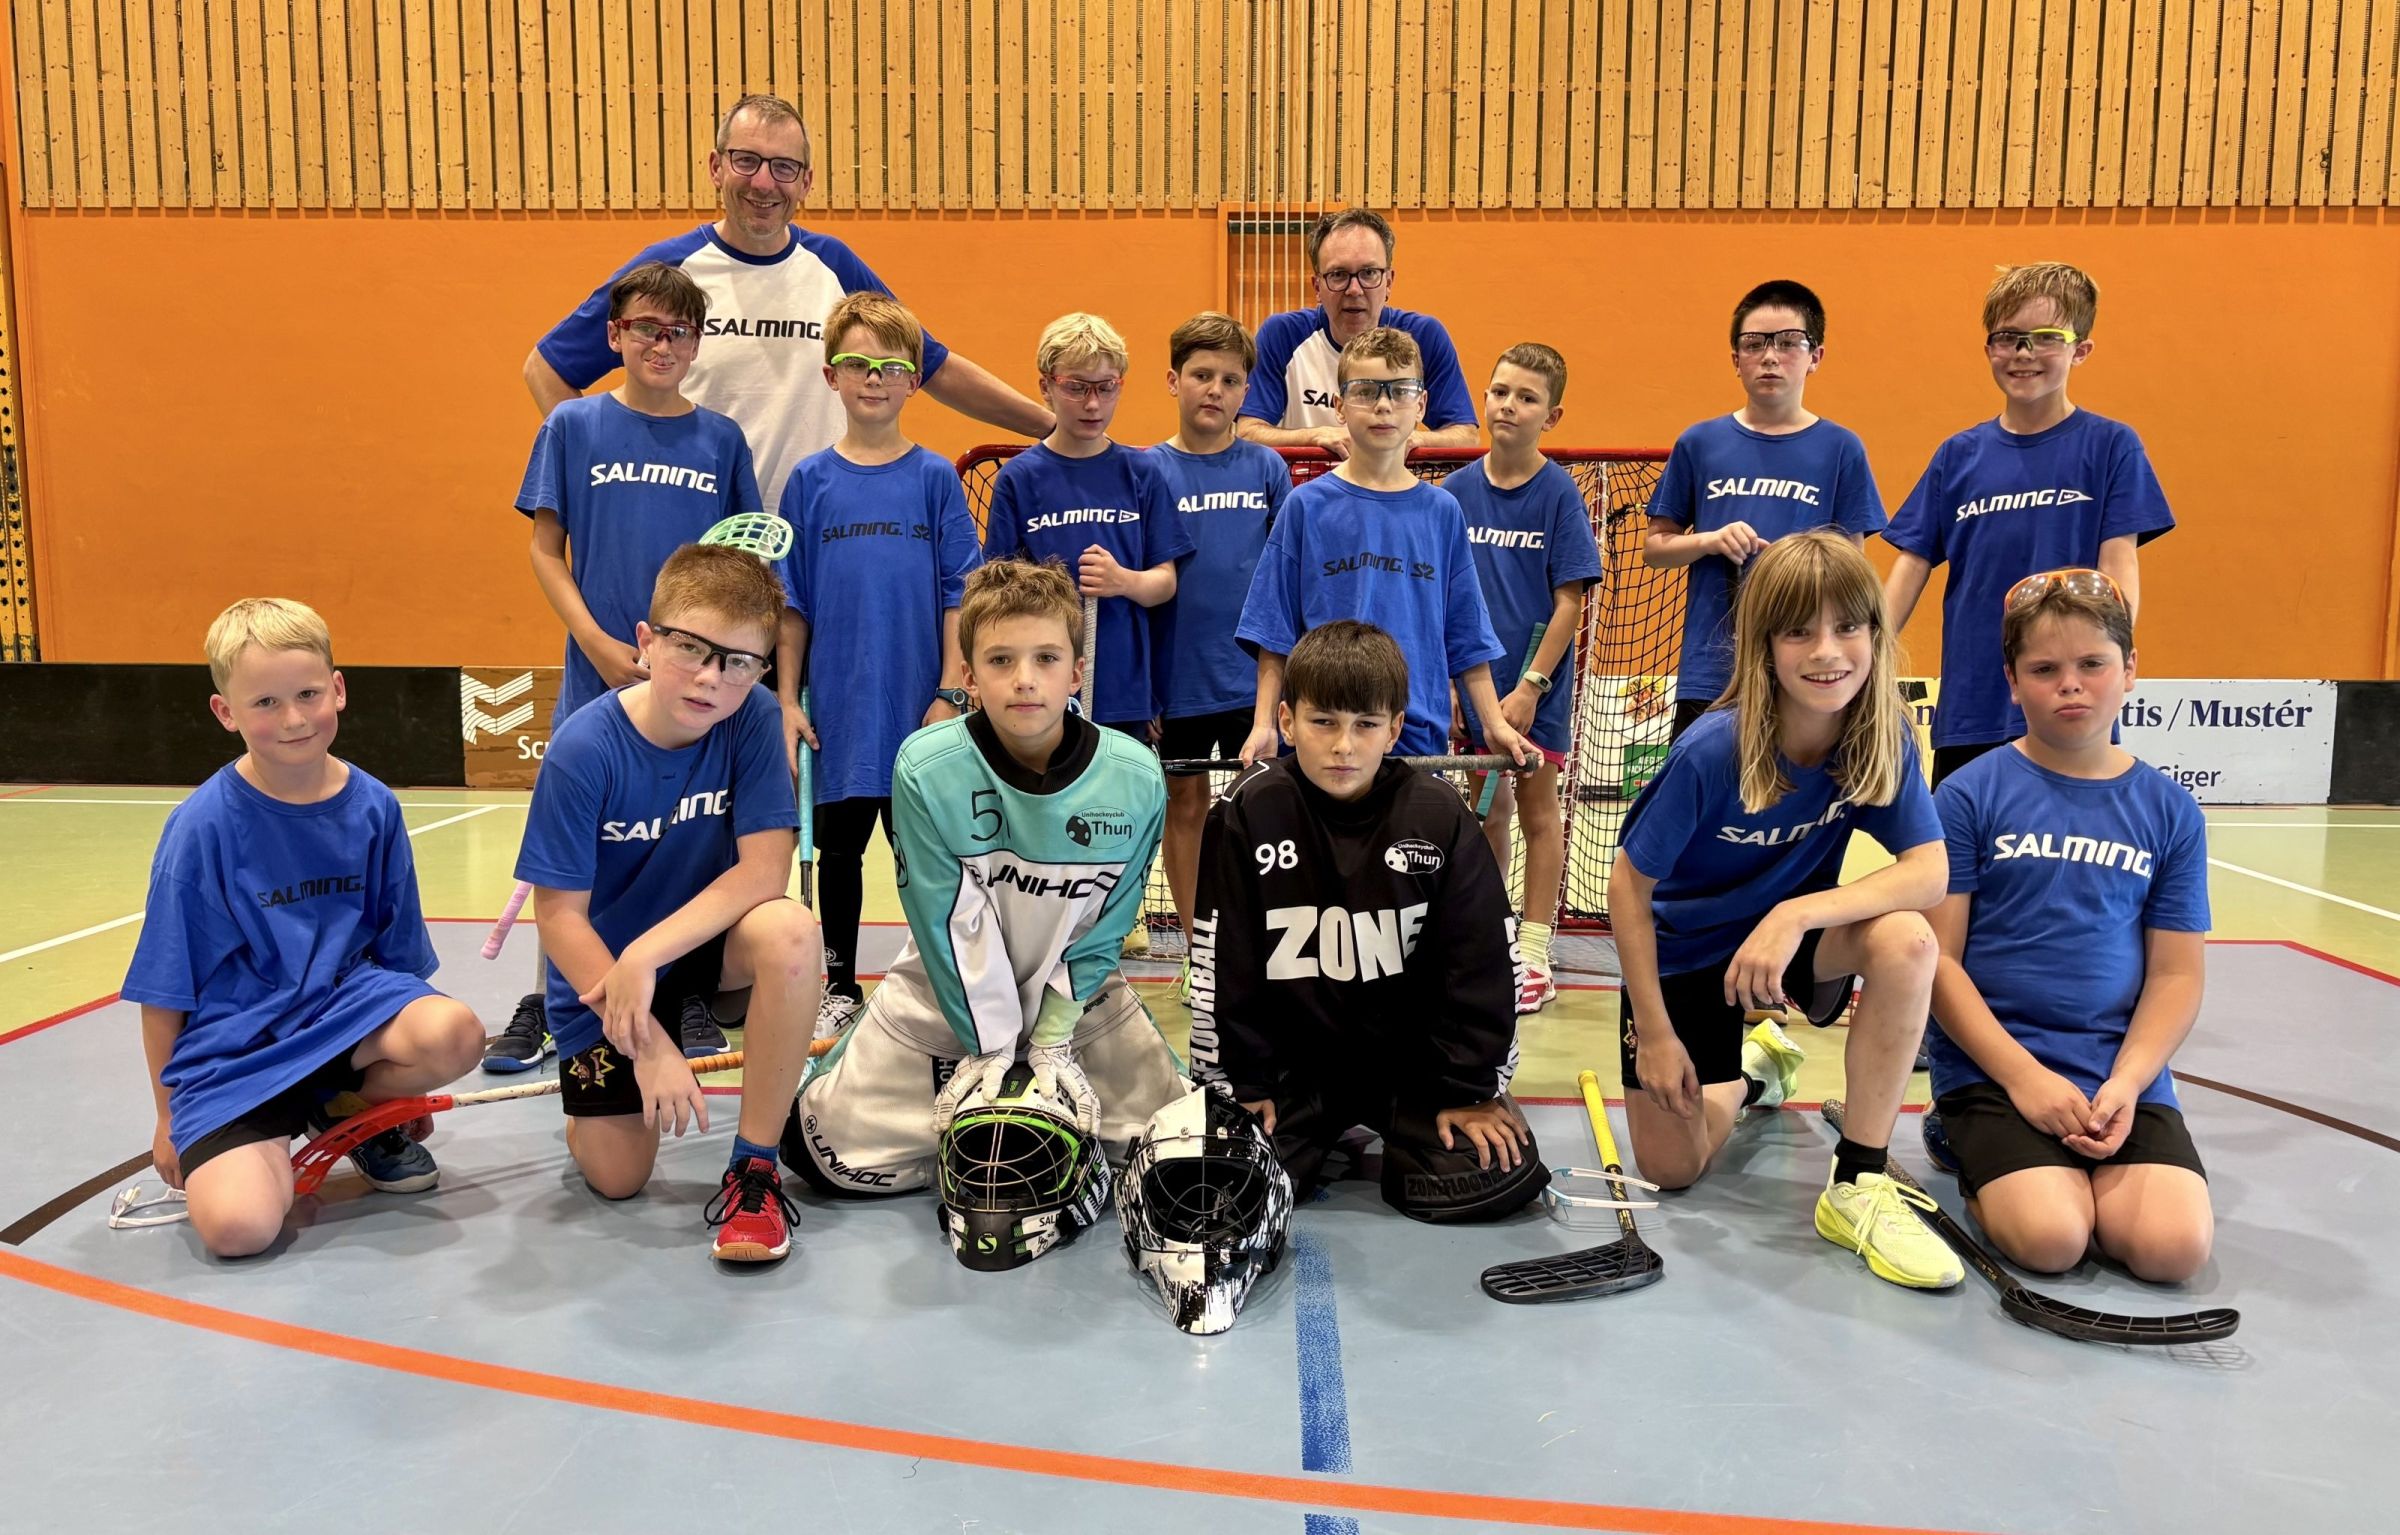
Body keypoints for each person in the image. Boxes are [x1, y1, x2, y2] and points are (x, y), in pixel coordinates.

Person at [1611, 531, 1962, 1290]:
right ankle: (1753, 1072)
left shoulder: (1880, 736)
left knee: (1907, 941)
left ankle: (1859, 1179)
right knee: (1671, 1170)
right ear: (1764, 647)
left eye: (1848, 626)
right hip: (1686, 953)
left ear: (1876, 633)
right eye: (1799, 631)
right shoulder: (1713, 750)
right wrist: (1658, 1034)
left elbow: (1930, 871)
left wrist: (1796, 914)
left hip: (1790, 944)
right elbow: (1627, 889)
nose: (1827, 651)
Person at [781, 558, 1187, 1211]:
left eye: (1046, 658)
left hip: (1077, 1004)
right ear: (968, 677)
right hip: (948, 998)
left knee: (1180, 1153)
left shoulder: (1135, 776)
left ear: (1076, 673)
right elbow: (948, 922)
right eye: (1001, 660)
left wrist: (1050, 1037)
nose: (1025, 679)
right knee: (820, 1153)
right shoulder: (926, 766)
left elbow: (1105, 928)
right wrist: (992, 1045)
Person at [123, 599, 485, 1258]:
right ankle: (270, 1131)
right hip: (239, 1049)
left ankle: (347, 1111)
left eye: (307, 694)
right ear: (225, 712)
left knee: (455, 1032)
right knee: (239, 1229)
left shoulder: (375, 806)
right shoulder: (201, 826)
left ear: (337, 689)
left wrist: (406, 1091)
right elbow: (165, 986)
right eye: (265, 702)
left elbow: (399, 956)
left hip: (344, 1016)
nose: (293, 718)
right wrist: (167, 1115)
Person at [496, 261, 772, 1075]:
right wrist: (592, 637)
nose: (662, 344)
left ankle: (684, 990)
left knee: (692, 832)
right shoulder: (573, 425)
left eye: (679, 331)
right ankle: (552, 997)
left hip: (691, 682)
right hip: (603, 672)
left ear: (697, 344)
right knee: (574, 851)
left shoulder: (721, 439)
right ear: (615, 335)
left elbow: (740, 565)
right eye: (647, 328)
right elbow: (545, 549)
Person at [515, 544, 824, 1263]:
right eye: (691, 648)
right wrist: (647, 1043)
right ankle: (590, 1104)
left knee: (791, 931)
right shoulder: (582, 749)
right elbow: (558, 916)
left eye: (739, 662)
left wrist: (648, 954)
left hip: (695, 954)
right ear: (647, 642)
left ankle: (754, 1170)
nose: (712, 677)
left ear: (760, 669)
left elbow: (764, 872)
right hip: (603, 974)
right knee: (619, 1177)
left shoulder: (751, 720)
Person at [523, 93, 1049, 506]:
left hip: (814, 533)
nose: (763, 182)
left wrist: (1054, 427)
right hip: (701, 544)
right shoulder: (669, 268)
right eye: (746, 160)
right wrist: (615, 471)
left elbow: (934, 367)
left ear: (806, 181)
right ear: (716, 166)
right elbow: (547, 369)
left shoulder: (835, 266)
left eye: (783, 167)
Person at [1190, 620, 1545, 1220]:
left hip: (1412, 1070)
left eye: (1365, 725)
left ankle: (1406, 1125)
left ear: (1395, 729)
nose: (1344, 746)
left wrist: (1470, 1090)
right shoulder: (1249, 811)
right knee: (1220, 1183)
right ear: (1286, 721)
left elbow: (1481, 961)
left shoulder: (1437, 814)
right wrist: (1241, 1086)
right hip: (1294, 1073)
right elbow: (1225, 962)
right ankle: (1311, 1130)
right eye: (1323, 722)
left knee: (1493, 1171)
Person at [1925, 569, 2213, 1282]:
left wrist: (2129, 1082)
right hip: (1998, 1071)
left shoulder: (2170, 810)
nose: (2071, 685)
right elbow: (1940, 962)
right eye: (2045, 670)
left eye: (2093, 664)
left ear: (2130, 669)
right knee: (2053, 1240)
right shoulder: (1967, 796)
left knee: (2173, 1250)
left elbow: (2176, 973)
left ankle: (2079, 1162)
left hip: (2117, 1073)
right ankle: (1964, 1141)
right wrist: (2024, 1079)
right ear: (2012, 681)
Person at [1881, 261, 2175, 787]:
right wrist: (1868, 652)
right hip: (1970, 709)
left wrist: (2110, 658)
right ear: (1988, 348)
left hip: (2070, 707)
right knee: (1961, 840)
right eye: (2008, 337)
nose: (2023, 353)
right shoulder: (1958, 455)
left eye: (2045, 338)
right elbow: (1911, 564)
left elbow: (2118, 566)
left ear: (2080, 350)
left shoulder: (2112, 447)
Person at [781, 292, 981, 1041]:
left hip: (920, 714)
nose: (874, 378)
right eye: (857, 363)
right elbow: (792, 605)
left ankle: (936, 983)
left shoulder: (934, 478)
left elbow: (959, 593)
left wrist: (949, 691)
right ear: (831, 375)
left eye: (892, 366)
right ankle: (837, 983)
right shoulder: (809, 482)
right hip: (837, 712)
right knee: (837, 855)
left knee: (927, 860)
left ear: (914, 381)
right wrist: (786, 699)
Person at [1235, 326, 1536, 771]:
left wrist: (1492, 724)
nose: (1382, 404)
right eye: (1365, 390)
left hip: (1416, 736)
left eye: (1399, 391)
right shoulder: (1306, 506)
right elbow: (1273, 630)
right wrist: (1264, 724)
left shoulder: (1442, 512)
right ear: (1339, 406)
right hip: (1326, 734)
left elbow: (1467, 633)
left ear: (1422, 405)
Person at [1644, 280, 1887, 740]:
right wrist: (1710, 540)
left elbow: (1853, 569)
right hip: (1713, 670)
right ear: (1736, 360)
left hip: (1806, 669)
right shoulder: (1699, 443)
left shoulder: (1841, 448)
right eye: (1754, 344)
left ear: (1815, 356)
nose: (1770, 357)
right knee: (1704, 781)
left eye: (1789, 342)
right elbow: (1655, 549)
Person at [1450, 343, 1604, 1015]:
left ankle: (1535, 951)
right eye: (1500, 391)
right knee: (1486, 811)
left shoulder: (1558, 494)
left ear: (1552, 415)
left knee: (1540, 812)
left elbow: (1570, 601)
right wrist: (1457, 688)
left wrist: (1530, 686)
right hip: (1472, 692)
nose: (1508, 405)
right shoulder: (1454, 493)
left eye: (1527, 397)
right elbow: (1445, 598)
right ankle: (1493, 935)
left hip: (1535, 694)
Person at [1147, 312, 1290, 994]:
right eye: (1202, 375)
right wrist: (1147, 687)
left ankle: (1263, 943)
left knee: (1266, 810)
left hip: (1252, 681)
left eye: (1231, 380)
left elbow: (1284, 577)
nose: (1215, 390)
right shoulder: (1148, 470)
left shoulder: (1267, 467)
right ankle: (1196, 947)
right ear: (1173, 380)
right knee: (1185, 805)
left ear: (1246, 391)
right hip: (1177, 680)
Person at [982, 313, 1193, 736]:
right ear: (1046, 386)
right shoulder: (1020, 479)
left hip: (1124, 686)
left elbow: (1165, 582)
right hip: (1040, 691)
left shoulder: (1141, 472)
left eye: (1105, 387)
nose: (1093, 404)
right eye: (1076, 387)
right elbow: (998, 592)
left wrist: (1122, 580)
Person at [1237, 209, 1479, 456]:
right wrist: (1315, 436)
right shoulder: (1282, 335)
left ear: (1388, 282)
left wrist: (1409, 439)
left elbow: (1467, 437)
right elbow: (1247, 432)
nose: (1354, 290)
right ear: (1317, 287)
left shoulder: (1423, 336)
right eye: (1338, 275)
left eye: (1369, 273)